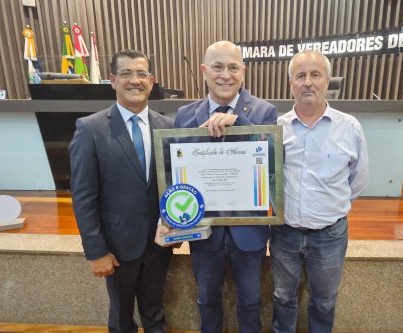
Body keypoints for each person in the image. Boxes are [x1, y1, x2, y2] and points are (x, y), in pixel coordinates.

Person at [174, 41, 277, 333]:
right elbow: (175, 170)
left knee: (251, 300)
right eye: (217, 67)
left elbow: (272, 161)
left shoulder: (263, 111)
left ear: (243, 72)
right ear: (205, 71)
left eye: (233, 68)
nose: (225, 75)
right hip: (204, 230)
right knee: (207, 299)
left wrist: (239, 122)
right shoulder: (184, 115)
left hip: (249, 230)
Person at [69, 49, 173, 333]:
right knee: (120, 320)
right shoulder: (90, 129)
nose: (134, 80)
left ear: (151, 81)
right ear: (113, 80)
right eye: (126, 73)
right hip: (116, 249)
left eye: (141, 74)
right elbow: (83, 197)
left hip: (159, 245)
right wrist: (96, 251)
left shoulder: (168, 127)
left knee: (155, 314)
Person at [271, 50, 369, 333]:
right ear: (291, 83)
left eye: (315, 75)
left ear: (327, 81)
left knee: (325, 301)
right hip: (284, 233)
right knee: (282, 297)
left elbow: (358, 180)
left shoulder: (349, 128)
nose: (308, 82)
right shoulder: (277, 128)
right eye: (300, 76)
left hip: (329, 235)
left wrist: (328, 206)